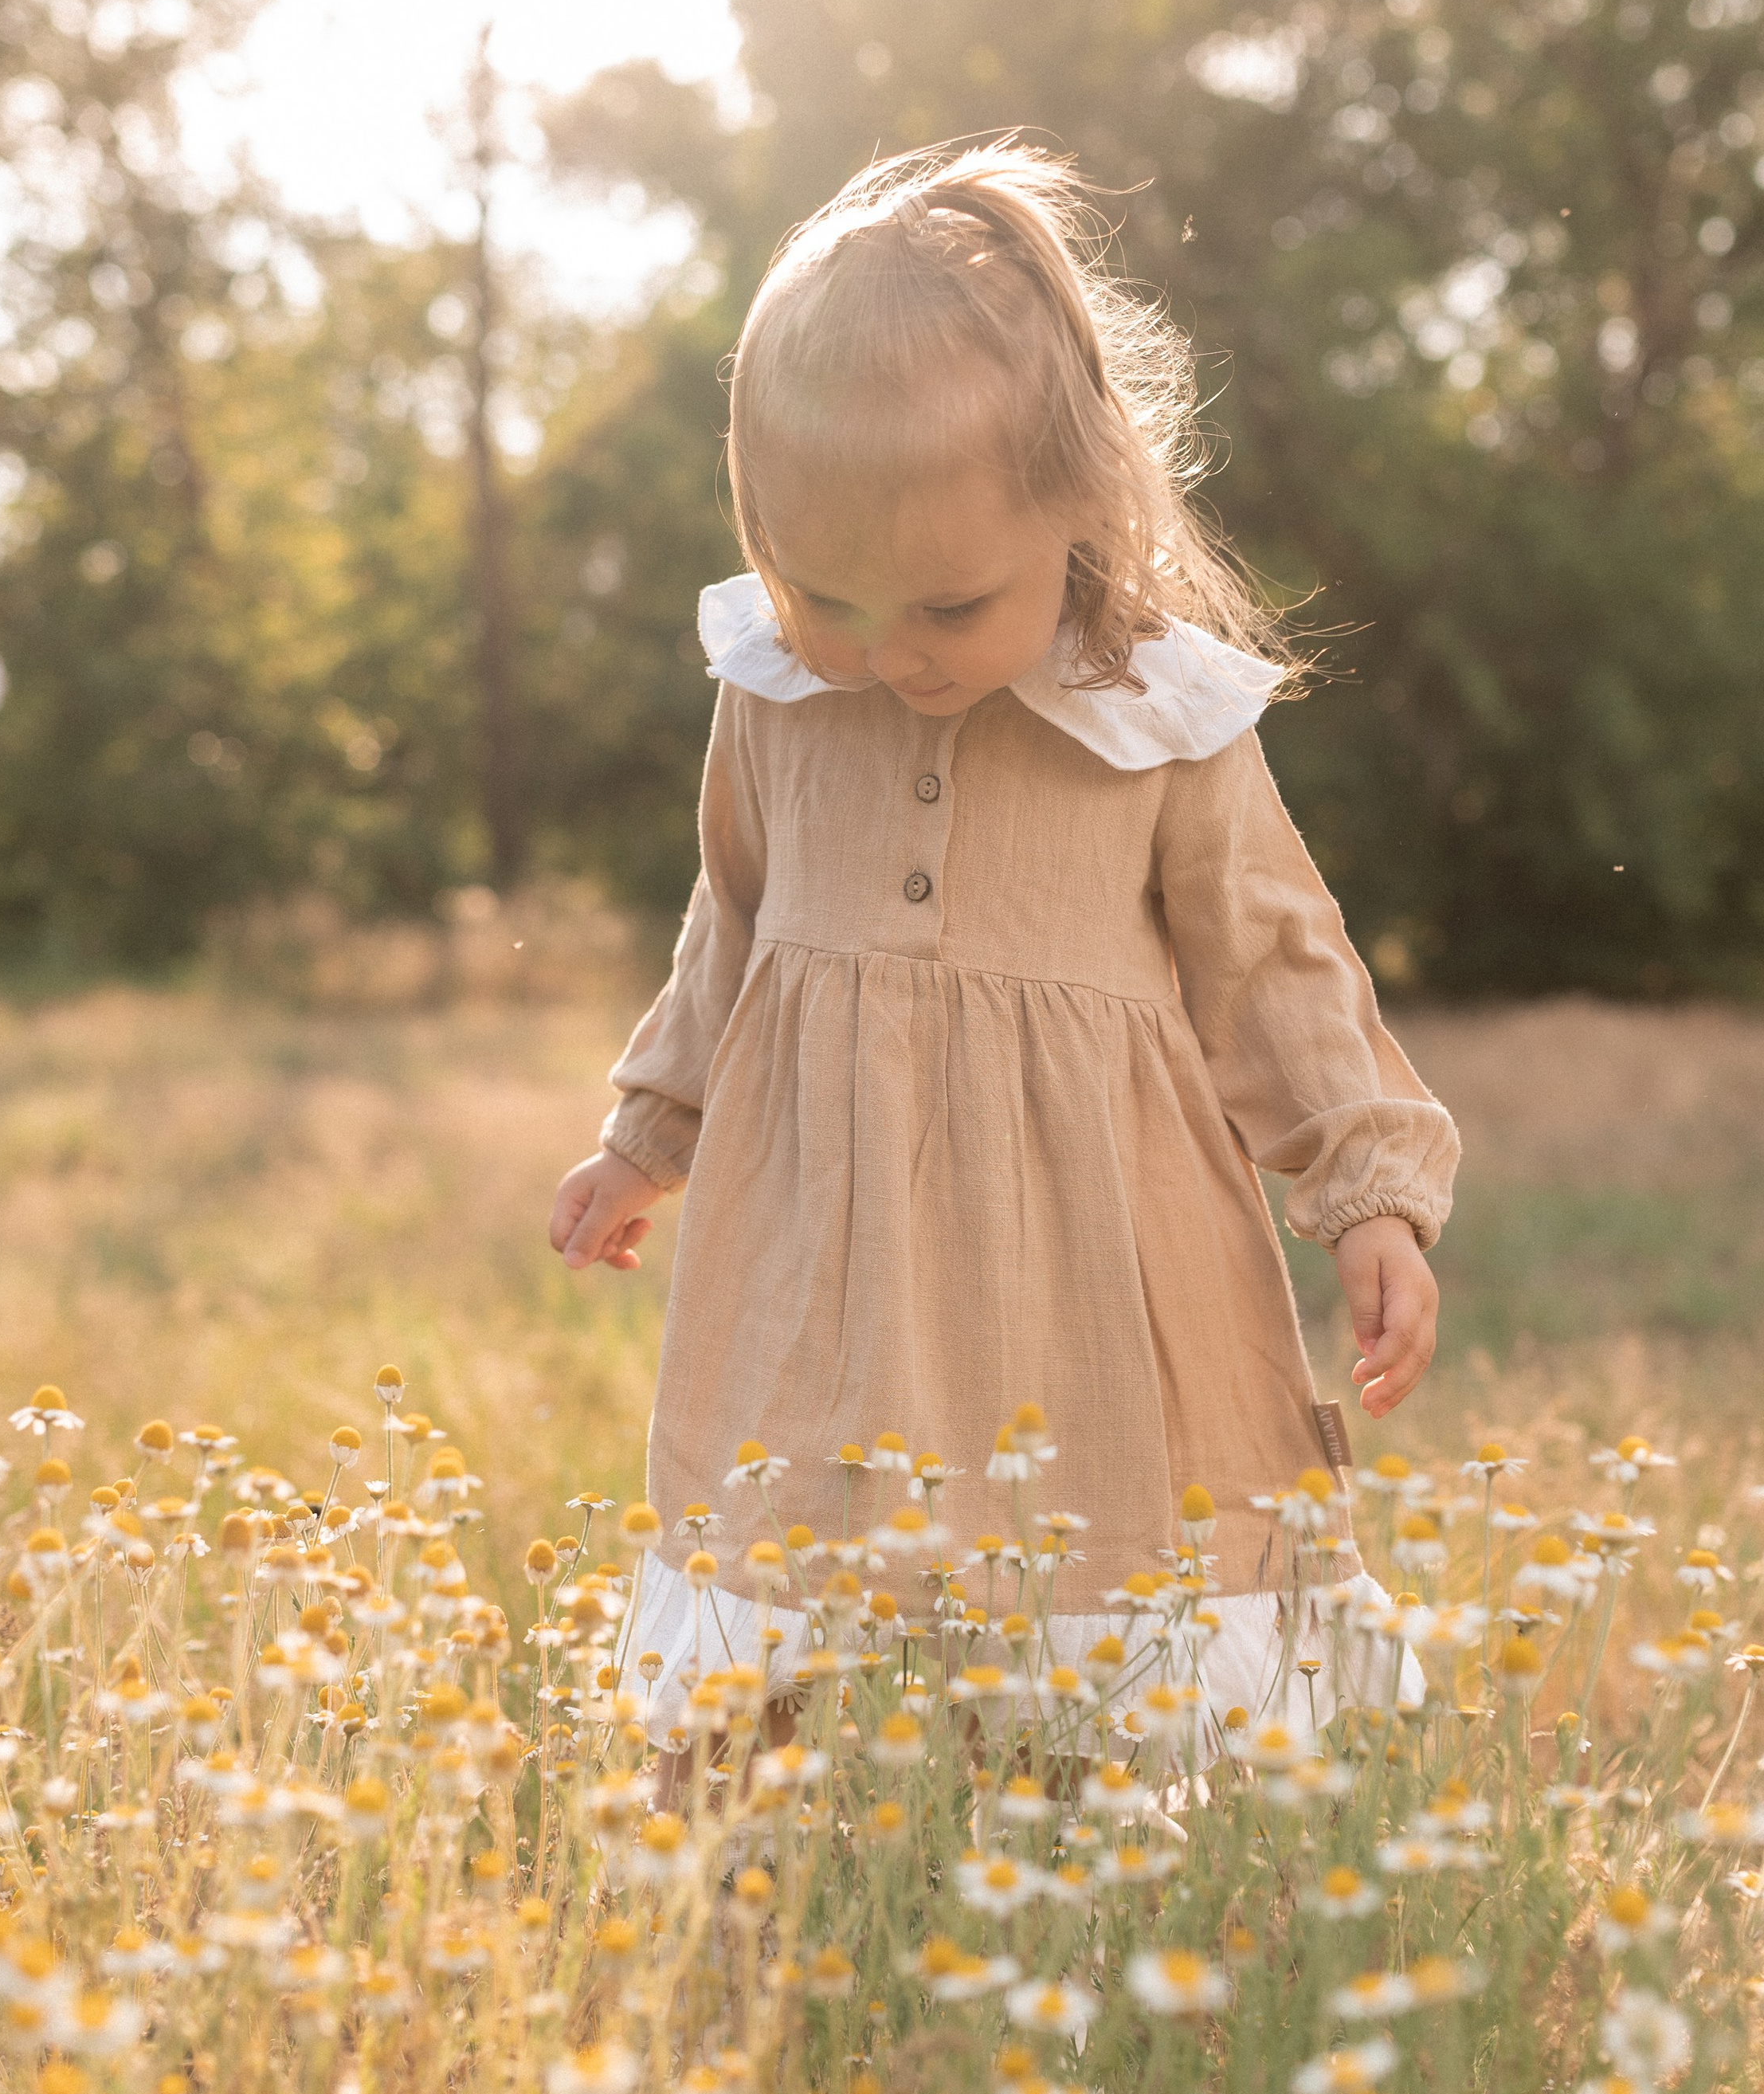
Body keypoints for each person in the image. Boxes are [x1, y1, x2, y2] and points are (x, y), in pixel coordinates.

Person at [549, 142, 1458, 1740]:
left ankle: (1074, 1818)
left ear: (1080, 503)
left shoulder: (1155, 715)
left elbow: (1271, 957)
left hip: (1085, 1240)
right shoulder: (776, 691)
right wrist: (650, 1132)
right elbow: (732, 914)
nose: (884, 651)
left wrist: (1367, 1192)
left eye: (947, 606)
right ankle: (763, 1821)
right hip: (822, 1234)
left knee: (1085, 1555)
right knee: (792, 1545)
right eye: (828, 594)